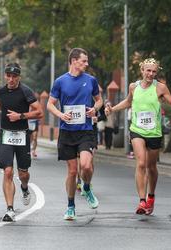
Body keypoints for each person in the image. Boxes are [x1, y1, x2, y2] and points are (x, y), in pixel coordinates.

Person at [105, 58, 171, 215]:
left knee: (151, 167)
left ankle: (151, 196)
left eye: (154, 71)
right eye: (148, 70)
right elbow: (128, 102)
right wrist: (113, 109)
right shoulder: (134, 87)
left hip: (154, 132)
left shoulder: (160, 88)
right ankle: (142, 201)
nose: (151, 74)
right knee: (141, 163)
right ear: (142, 70)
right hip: (137, 130)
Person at [47, 48, 103, 220]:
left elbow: (99, 100)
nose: (87, 64)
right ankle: (70, 206)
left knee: (86, 165)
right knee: (72, 172)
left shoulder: (91, 80)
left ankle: (86, 187)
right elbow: (50, 104)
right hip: (67, 131)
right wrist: (61, 115)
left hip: (85, 130)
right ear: (73, 61)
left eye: (87, 61)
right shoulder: (60, 81)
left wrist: (95, 109)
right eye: (84, 61)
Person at [0, 62, 43, 222]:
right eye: (9, 76)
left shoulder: (26, 92)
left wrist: (20, 116)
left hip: (22, 135)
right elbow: (0, 103)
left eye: (14, 76)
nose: (11, 79)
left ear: (19, 77)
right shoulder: (0, 91)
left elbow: (39, 112)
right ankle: (10, 209)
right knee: (8, 172)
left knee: (23, 173)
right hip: (6, 135)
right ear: (5, 76)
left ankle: (24, 188)